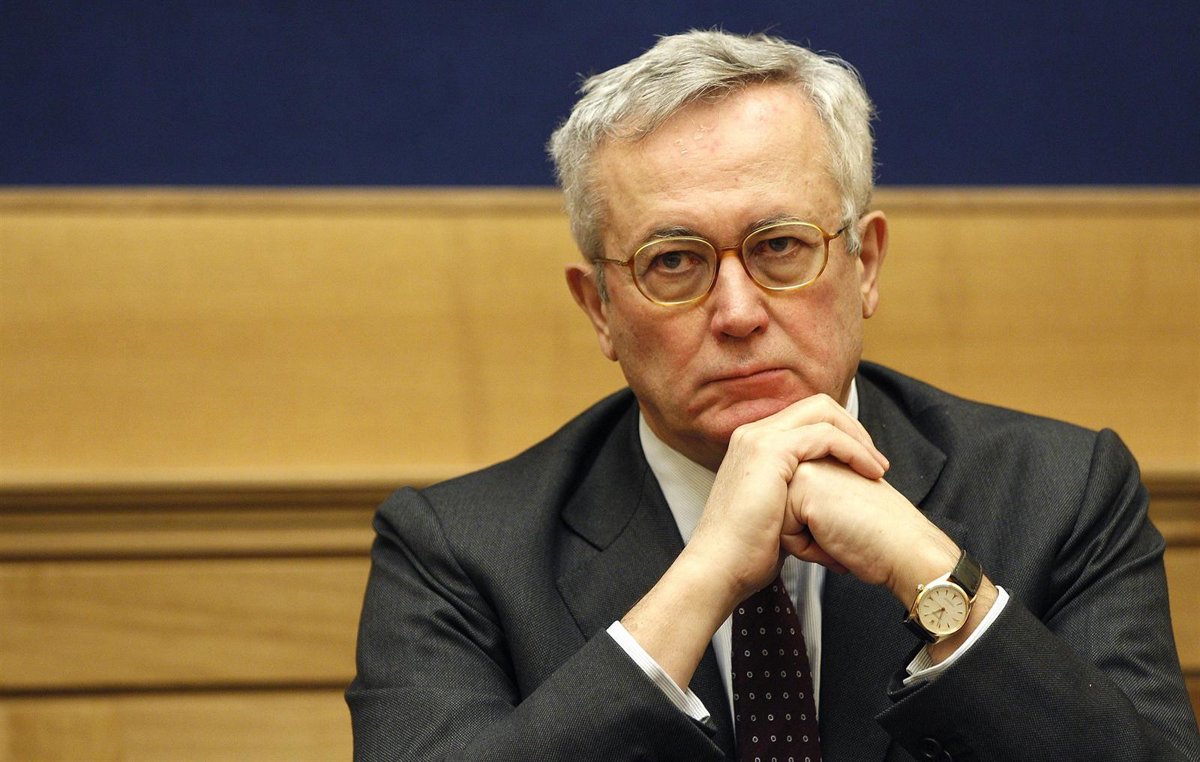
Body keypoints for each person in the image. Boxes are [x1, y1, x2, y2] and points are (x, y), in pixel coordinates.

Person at [346, 30, 1199, 760]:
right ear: (600, 308)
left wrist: (934, 577)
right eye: (672, 262)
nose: (738, 312)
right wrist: (703, 579)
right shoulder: (456, 552)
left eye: (780, 246)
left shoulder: (1063, 492)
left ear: (865, 264)